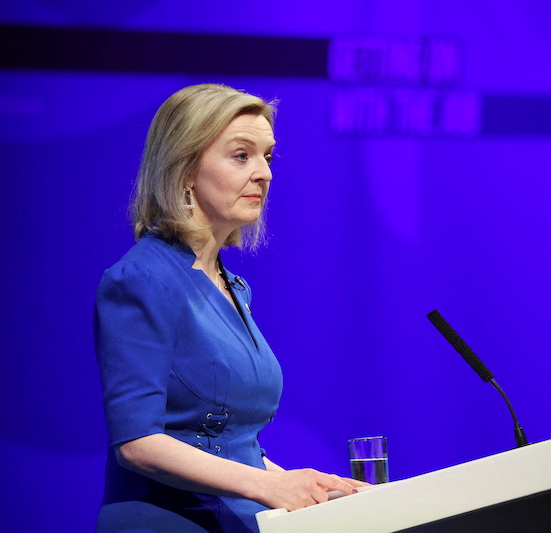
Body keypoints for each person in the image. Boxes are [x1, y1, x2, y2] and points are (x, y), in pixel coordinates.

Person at [94, 84, 365, 533]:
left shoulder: (232, 287)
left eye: (268, 157)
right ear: (184, 170)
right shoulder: (140, 280)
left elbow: (230, 444)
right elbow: (138, 442)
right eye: (242, 156)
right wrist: (269, 487)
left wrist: (320, 491)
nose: (264, 174)